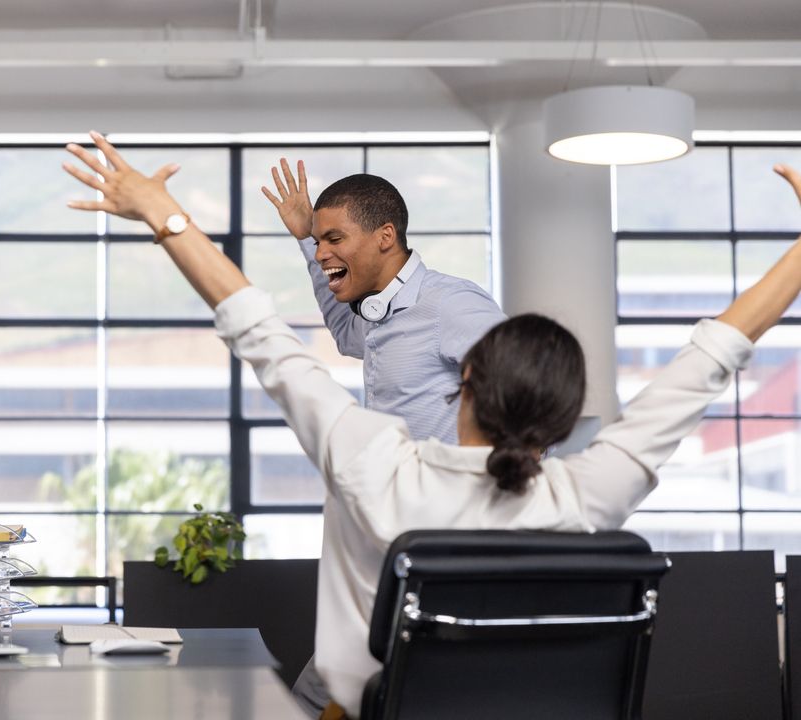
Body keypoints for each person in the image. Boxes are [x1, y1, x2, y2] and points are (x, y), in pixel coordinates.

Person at [63, 132, 801, 719]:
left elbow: (259, 334)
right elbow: (705, 362)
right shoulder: (587, 495)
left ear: (469, 377)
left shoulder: (375, 468)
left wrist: (165, 215)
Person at [261, 160, 505, 443]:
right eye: (318, 244)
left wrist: (509, 473)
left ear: (385, 237)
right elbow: (343, 330)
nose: (320, 254)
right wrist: (305, 237)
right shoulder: (373, 312)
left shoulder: (451, 303)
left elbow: (532, 388)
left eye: (334, 239)